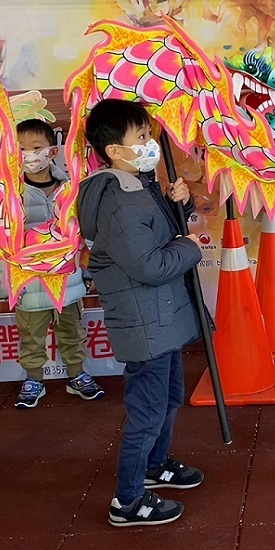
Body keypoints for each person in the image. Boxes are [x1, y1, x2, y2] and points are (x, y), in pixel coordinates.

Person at [77, 99, 205, 527]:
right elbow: (149, 265)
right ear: (114, 150)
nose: (150, 143)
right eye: (142, 137)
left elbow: (162, 231)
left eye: (150, 135)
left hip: (161, 316)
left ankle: (155, 465)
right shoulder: (118, 200)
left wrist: (179, 204)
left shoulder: (138, 184)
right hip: (145, 321)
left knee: (167, 398)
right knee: (148, 410)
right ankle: (127, 501)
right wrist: (190, 248)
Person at [1, 118, 103, 409]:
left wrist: (88, 272)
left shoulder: (71, 188)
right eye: (21, 148)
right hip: (28, 282)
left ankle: (77, 375)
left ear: (53, 151)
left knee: (72, 330)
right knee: (31, 334)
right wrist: (5, 283)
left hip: (68, 280)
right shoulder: (9, 192)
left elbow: (84, 235)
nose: (28, 155)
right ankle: (33, 379)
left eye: (36, 147)